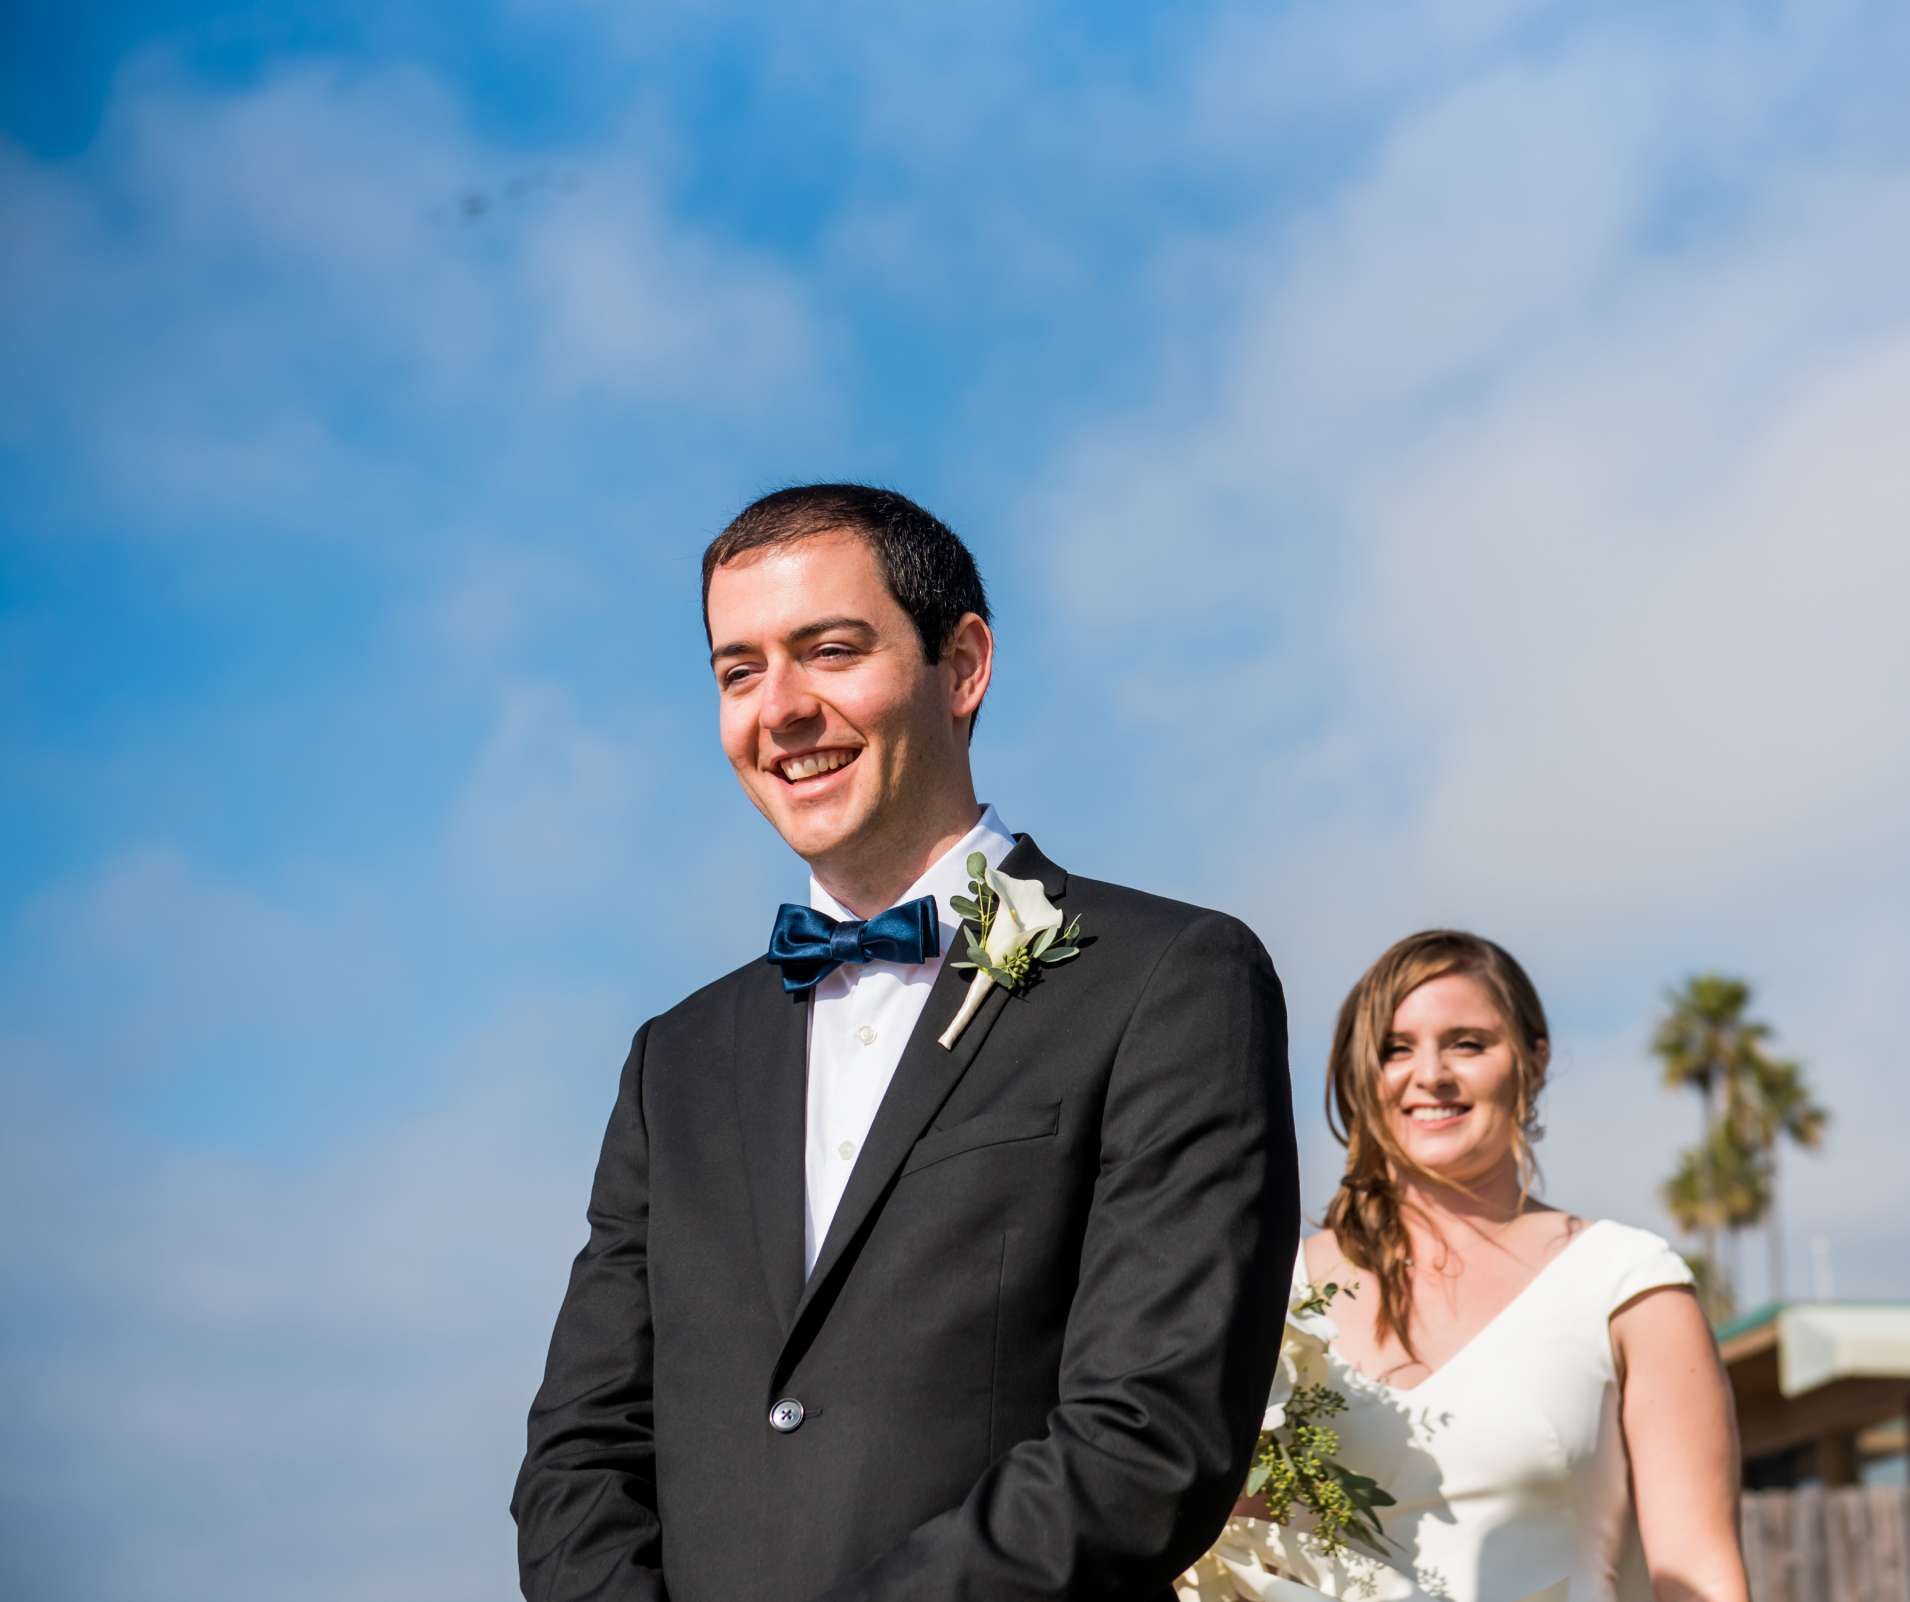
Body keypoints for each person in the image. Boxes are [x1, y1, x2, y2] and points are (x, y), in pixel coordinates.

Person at [511, 484, 1302, 1601]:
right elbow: (581, 1452)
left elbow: (1150, 1432)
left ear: (963, 665)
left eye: (829, 651)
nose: (777, 708)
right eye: (739, 671)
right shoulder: (673, 1060)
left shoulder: (1169, 980)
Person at [1232, 930, 1749, 1602]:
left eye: (1467, 1043)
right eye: (1395, 1049)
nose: (1431, 1074)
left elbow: (1700, 1573)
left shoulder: (1628, 1286)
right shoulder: (1275, 1293)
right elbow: (1240, 1554)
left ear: (1534, 1060)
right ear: (1361, 1075)